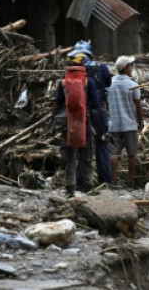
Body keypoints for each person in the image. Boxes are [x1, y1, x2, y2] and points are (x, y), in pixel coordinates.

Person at [55, 51, 100, 196]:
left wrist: (52, 118)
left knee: (69, 156)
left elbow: (58, 102)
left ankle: (70, 187)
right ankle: (87, 184)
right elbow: (95, 103)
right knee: (86, 154)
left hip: (67, 122)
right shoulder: (88, 82)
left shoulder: (63, 82)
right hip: (84, 120)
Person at [72, 40, 114, 186]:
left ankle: (81, 181)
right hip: (99, 111)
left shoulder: (73, 70)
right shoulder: (101, 67)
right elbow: (108, 83)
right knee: (102, 144)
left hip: (79, 112)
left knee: (82, 147)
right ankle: (105, 181)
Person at [107, 55, 144, 188]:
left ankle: (113, 181)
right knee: (131, 154)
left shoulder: (109, 84)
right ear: (126, 68)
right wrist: (140, 122)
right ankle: (130, 182)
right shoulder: (133, 85)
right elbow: (138, 107)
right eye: (131, 66)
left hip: (113, 124)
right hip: (130, 124)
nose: (132, 68)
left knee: (113, 153)